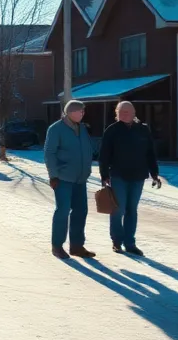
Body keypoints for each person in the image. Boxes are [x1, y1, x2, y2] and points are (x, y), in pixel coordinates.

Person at [98, 101, 161, 256]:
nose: (124, 114)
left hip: (138, 175)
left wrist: (154, 173)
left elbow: (150, 153)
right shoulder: (112, 130)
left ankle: (130, 243)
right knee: (117, 209)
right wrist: (104, 174)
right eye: (121, 111)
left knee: (132, 210)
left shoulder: (143, 130)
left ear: (134, 113)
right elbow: (104, 154)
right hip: (119, 175)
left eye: (127, 111)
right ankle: (117, 241)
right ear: (117, 114)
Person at [44, 100, 97, 259]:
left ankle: (76, 246)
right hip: (63, 178)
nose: (82, 114)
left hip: (80, 178)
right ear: (70, 112)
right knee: (63, 210)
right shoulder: (56, 129)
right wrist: (53, 175)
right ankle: (57, 245)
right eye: (80, 111)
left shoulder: (82, 128)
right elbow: (49, 153)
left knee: (81, 211)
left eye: (83, 111)